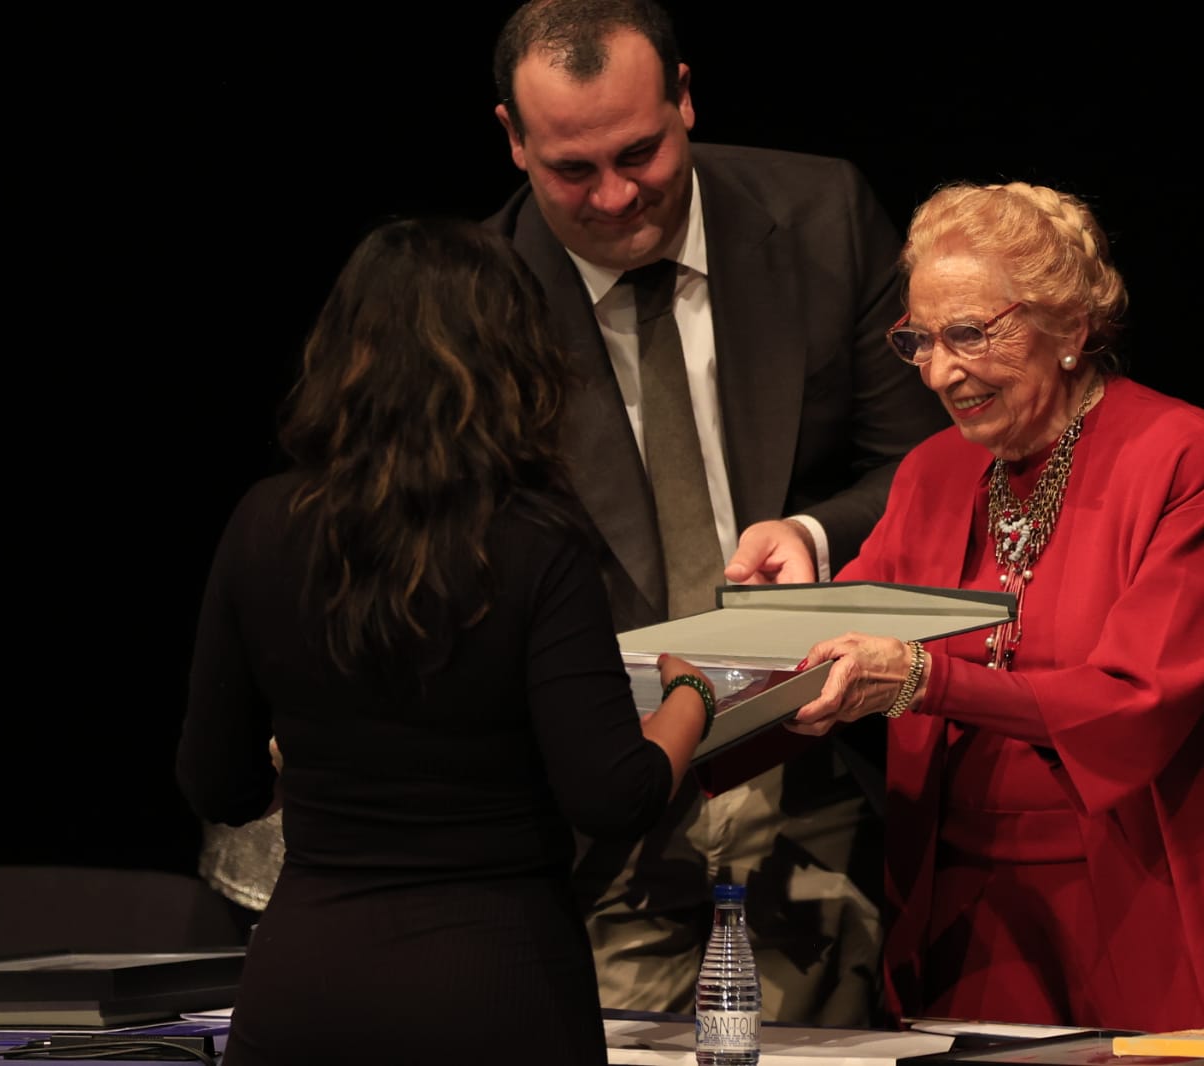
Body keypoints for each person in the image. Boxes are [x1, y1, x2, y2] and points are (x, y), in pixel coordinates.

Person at [786, 181, 1204, 1032]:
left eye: (970, 334)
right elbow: (840, 630)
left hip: (1164, 901)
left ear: (1071, 331)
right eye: (920, 339)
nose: (938, 370)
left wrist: (923, 678)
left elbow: (1135, 701)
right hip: (979, 922)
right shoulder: (930, 475)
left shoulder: (1184, 461)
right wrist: (723, 664)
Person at [484, 0, 947, 1026]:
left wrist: (816, 535)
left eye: (639, 151)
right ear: (513, 142)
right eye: (571, 168)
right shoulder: (482, 299)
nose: (613, 196)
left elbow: (924, 460)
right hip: (605, 814)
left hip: (821, 771)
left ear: (685, 98)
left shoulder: (821, 214)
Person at [175, 216, 716, 1066]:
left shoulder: (263, 524)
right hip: (495, 985)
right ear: (518, 360)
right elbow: (613, 792)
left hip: (306, 986)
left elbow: (218, 781)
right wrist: (694, 698)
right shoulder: (539, 539)